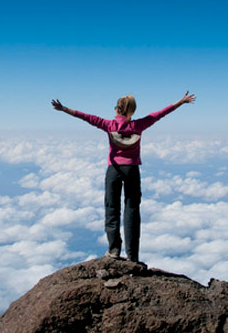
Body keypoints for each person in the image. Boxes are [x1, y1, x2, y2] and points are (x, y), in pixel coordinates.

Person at [51, 91, 196, 262]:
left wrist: (63, 109)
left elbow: (86, 117)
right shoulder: (139, 126)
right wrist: (180, 101)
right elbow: (160, 114)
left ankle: (113, 251)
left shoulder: (109, 125)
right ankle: (132, 256)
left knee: (112, 209)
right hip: (132, 170)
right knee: (132, 210)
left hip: (114, 170)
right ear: (131, 111)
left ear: (117, 110)